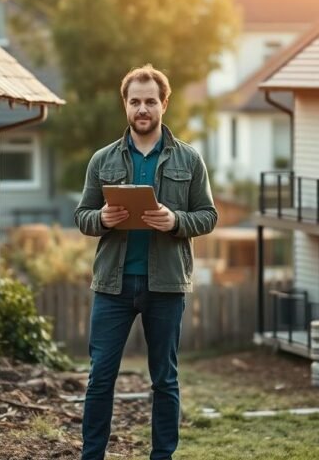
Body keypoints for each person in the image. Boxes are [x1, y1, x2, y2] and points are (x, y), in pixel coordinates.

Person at [74, 64, 217, 460]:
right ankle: (92, 456)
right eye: (135, 101)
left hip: (166, 286)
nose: (142, 109)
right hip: (113, 287)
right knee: (100, 379)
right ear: (125, 105)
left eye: (150, 101)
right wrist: (101, 218)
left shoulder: (189, 160)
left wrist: (175, 221)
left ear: (164, 104)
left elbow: (208, 215)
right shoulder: (102, 160)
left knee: (165, 381)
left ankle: (162, 456)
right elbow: (81, 215)